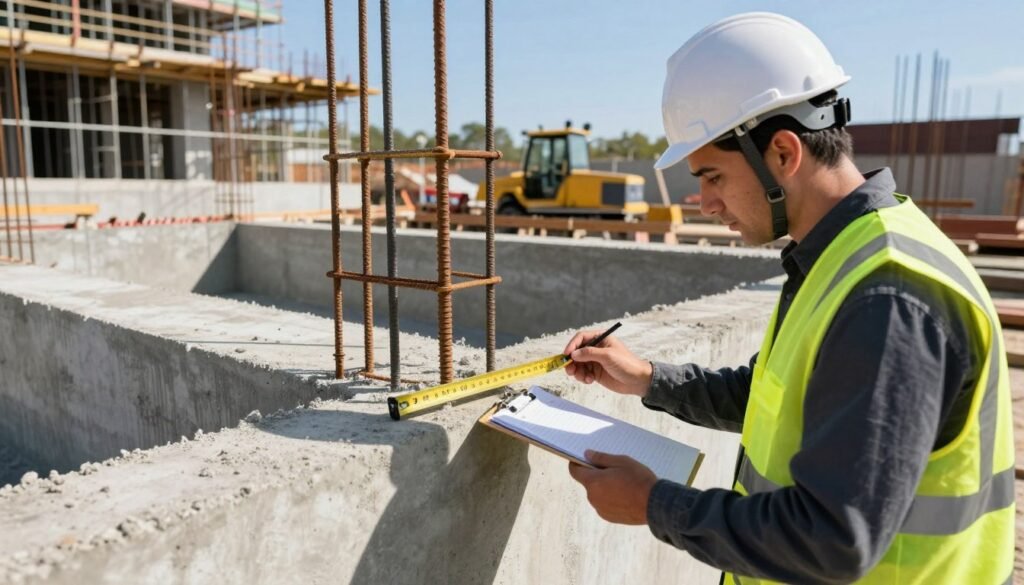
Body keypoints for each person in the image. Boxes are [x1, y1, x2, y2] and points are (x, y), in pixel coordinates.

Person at [563, 12, 1014, 585]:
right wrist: (649, 377)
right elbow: (781, 399)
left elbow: (830, 540)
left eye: (714, 177)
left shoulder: (888, 297)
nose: (704, 201)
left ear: (782, 153)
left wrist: (655, 505)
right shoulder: (844, 253)